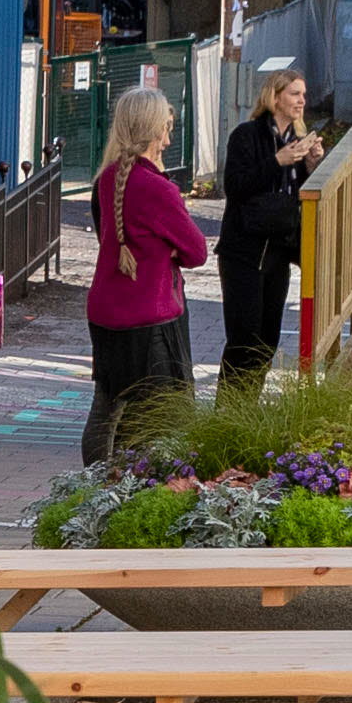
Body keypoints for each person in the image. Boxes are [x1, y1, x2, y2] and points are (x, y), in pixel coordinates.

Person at [78, 86, 208, 460]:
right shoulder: (157, 188)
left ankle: (94, 487)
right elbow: (197, 252)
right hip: (150, 318)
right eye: (166, 128)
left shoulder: (108, 178)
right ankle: (137, 492)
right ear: (152, 130)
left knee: (106, 407)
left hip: (106, 312)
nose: (168, 139)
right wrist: (165, 249)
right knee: (156, 419)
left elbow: (111, 234)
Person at [215, 62, 315, 398]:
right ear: (274, 97)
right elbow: (236, 187)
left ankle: (247, 407)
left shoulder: (296, 139)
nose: (302, 101)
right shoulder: (247, 135)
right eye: (294, 94)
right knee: (244, 339)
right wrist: (277, 161)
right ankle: (228, 413)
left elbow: (300, 195)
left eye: (304, 94)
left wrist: (312, 164)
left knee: (267, 339)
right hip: (244, 251)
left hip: (279, 250)